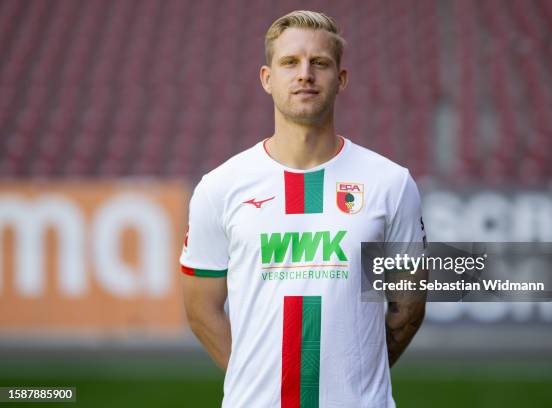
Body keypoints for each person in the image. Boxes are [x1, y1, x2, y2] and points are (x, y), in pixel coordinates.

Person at [180, 10, 426, 407]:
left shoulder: (391, 183)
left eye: (320, 63)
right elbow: (199, 307)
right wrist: (254, 380)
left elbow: (409, 308)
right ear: (267, 78)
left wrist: (356, 382)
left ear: (341, 79)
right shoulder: (219, 188)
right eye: (290, 62)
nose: (305, 74)